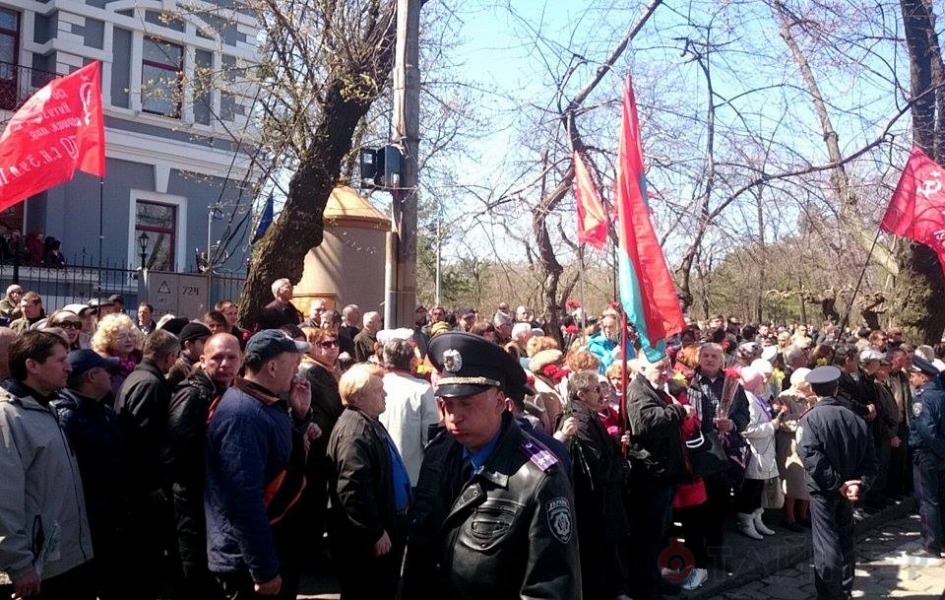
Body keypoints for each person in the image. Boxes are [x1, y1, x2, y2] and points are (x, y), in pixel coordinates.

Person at [403, 331, 581, 599]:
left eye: (466, 403)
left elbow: (550, 588)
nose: (454, 416)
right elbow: (416, 556)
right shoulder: (438, 455)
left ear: (500, 402)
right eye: (447, 404)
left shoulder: (538, 478)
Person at [205, 329, 315, 600]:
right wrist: (263, 570)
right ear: (273, 367)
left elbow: (282, 463)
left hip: (270, 548)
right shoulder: (243, 415)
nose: (299, 370)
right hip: (247, 564)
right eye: (294, 364)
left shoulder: (264, 403)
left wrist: (300, 419)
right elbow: (243, 501)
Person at [0, 331, 95, 600]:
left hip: (65, 559)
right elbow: (3, 501)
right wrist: (19, 564)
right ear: (32, 365)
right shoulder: (8, 418)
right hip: (37, 571)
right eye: (61, 359)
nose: (69, 367)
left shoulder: (45, 406)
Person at [162, 333, 242, 600]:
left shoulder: (229, 390)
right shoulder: (193, 395)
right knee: (194, 576)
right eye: (217, 357)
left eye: (231, 357)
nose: (224, 364)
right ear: (203, 359)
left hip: (216, 502)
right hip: (193, 503)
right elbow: (174, 454)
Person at [52, 349, 131, 600]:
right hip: (87, 522)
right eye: (107, 370)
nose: (111, 376)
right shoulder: (67, 417)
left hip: (110, 517)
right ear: (92, 376)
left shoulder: (101, 409)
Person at [326, 363, 410, 600]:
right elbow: (352, 488)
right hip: (366, 541)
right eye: (378, 390)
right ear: (359, 396)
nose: (385, 394)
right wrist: (374, 531)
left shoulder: (368, 422)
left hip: (386, 526)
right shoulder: (355, 431)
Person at [797, 366, 878, 600]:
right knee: (844, 538)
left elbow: (811, 457)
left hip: (824, 490)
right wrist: (857, 484)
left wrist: (838, 484)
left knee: (826, 542)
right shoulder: (855, 419)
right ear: (837, 389)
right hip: (845, 489)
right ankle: (843, 589)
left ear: (813, 390)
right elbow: (870, 462)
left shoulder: (810, 419)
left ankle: (830, 594)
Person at [114, 329, 181, 600]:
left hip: (139, 484)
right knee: (144, 554)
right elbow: (143, 439)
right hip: (143, 489)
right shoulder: (149, 384)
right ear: (170, 357)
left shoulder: (143, 378)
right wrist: (151, 484)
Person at [625, 353, 690, 600]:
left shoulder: (655, 388)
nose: (665, 372)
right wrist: (679, 410)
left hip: (664, 472)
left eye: (667, 367)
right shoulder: (638, 389)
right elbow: (646, 423)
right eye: (660, 368)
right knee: (647, 535)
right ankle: (644, 588)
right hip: (650, 475)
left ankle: (657, 580)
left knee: (660, 533)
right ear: (642, 367)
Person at [567, 370, 632, 600]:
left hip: (605, 499)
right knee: (597, 554)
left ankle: (615, 590)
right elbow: (597, 465)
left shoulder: (590, 415)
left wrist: (615, 445)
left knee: (608, 551)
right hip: (596, 501)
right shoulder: (580, 420)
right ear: (581, 394)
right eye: (596, 389)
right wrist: (624, 467)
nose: (602, 393)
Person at [378, 337, 440, 485]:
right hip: (412, 476)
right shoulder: (422, 389)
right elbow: (431, 438)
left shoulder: (376, 385)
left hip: (378, 474)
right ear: (411, 360)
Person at [907, 355, 945, 559]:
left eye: (913, 376)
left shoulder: (922, 399)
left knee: (927, 500)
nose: (911, 380)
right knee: (940, 497)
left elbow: (926, 430)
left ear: (923, 377)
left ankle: (932, 544)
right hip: (939, 454)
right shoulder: (941, 395)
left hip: (927, 454)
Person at [775, 367, 814, 531]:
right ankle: (789, 517)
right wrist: (805, 416)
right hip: (791, 445)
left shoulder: (812, 397)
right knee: (792, 483)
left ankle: (803, 514)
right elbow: (784, 422)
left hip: (809, 444)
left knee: (807, 482)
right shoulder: (785, 397)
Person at [91, 313, 142, 397]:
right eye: (122, 337)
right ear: (108, 339)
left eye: (130, 335)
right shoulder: (103, 363)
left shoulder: (140, 360)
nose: (128, 340)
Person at [167, 322, 212, 387]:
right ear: (188, 344)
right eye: (204, 341)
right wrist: (192, 376)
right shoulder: (176, 369)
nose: (208, 345)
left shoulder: (207, 364)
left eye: (209, 341)